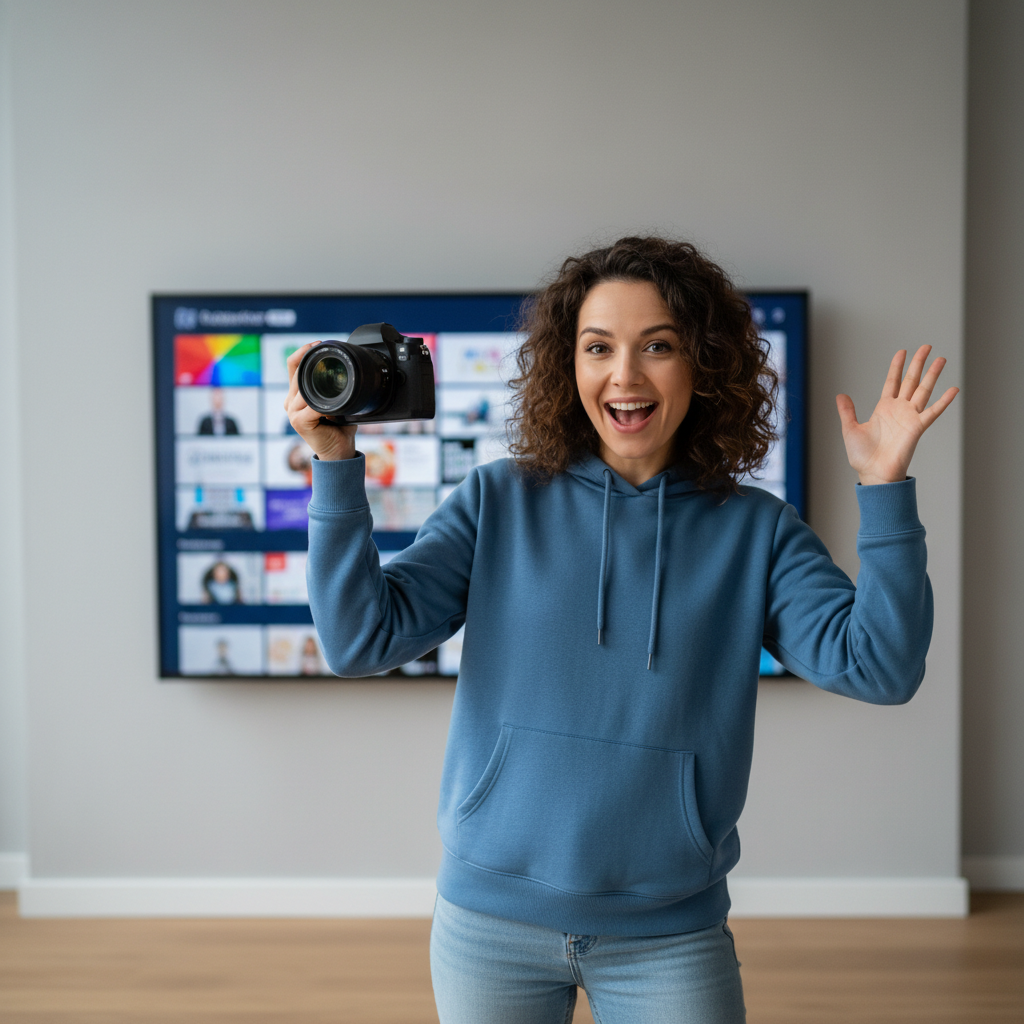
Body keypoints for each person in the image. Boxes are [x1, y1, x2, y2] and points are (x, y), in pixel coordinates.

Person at [284, 237, 957, 1024]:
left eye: (658, 346)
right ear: (567, 366)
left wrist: (884, 489)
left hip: (669, 934)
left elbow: (881, 668)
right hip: (489, 927)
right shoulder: (498, 501)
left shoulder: (757, 532)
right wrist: (335, 465)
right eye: (598, 347)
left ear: (704, 364)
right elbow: (359, 640)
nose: (626, 375)